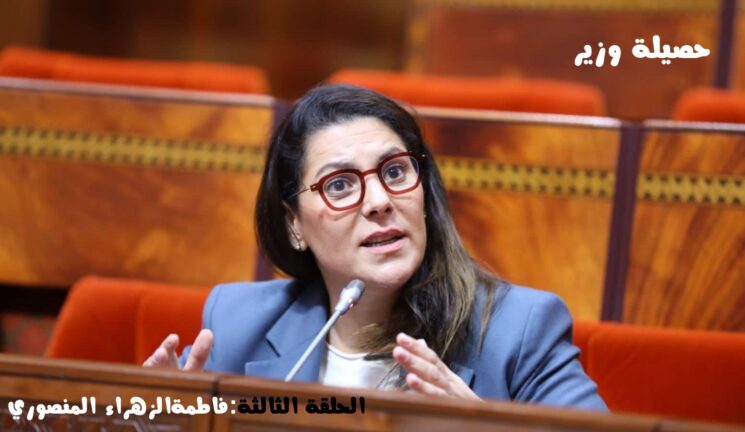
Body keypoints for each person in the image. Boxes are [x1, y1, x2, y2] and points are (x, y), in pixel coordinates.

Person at [144, 84, 607, 410]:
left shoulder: (518, 332)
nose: (380, 201)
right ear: (293, 224)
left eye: (395, 172)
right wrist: (159, 422)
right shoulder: (237, 323)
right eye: (340, 185)